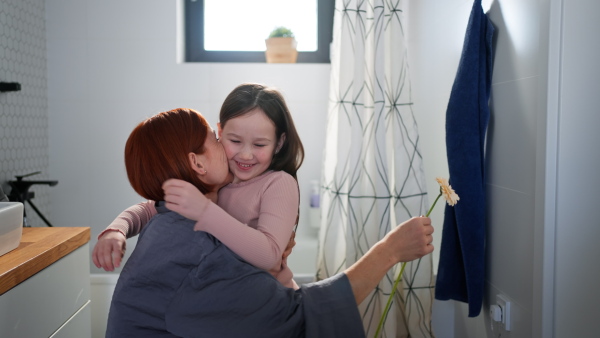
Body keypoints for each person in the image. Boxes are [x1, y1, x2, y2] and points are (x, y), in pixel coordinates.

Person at [104, 107, 434, 337]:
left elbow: (148, 208)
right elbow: (299, 318)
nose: (234, 151)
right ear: (196, 164)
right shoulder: (198, 255)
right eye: (215, 139)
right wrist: (388, 251)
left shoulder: (172, 223)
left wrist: (117, 228)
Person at [95, 83, 304, 289]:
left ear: (278, 143)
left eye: (259, 145)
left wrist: (205, 212)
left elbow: (268, 257)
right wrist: (116, 230)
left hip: (276, 303)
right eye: (235, 141)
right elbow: (150, 208)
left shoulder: (278, 183)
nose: (246, 154)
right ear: (220, 132)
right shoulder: (217, 181)